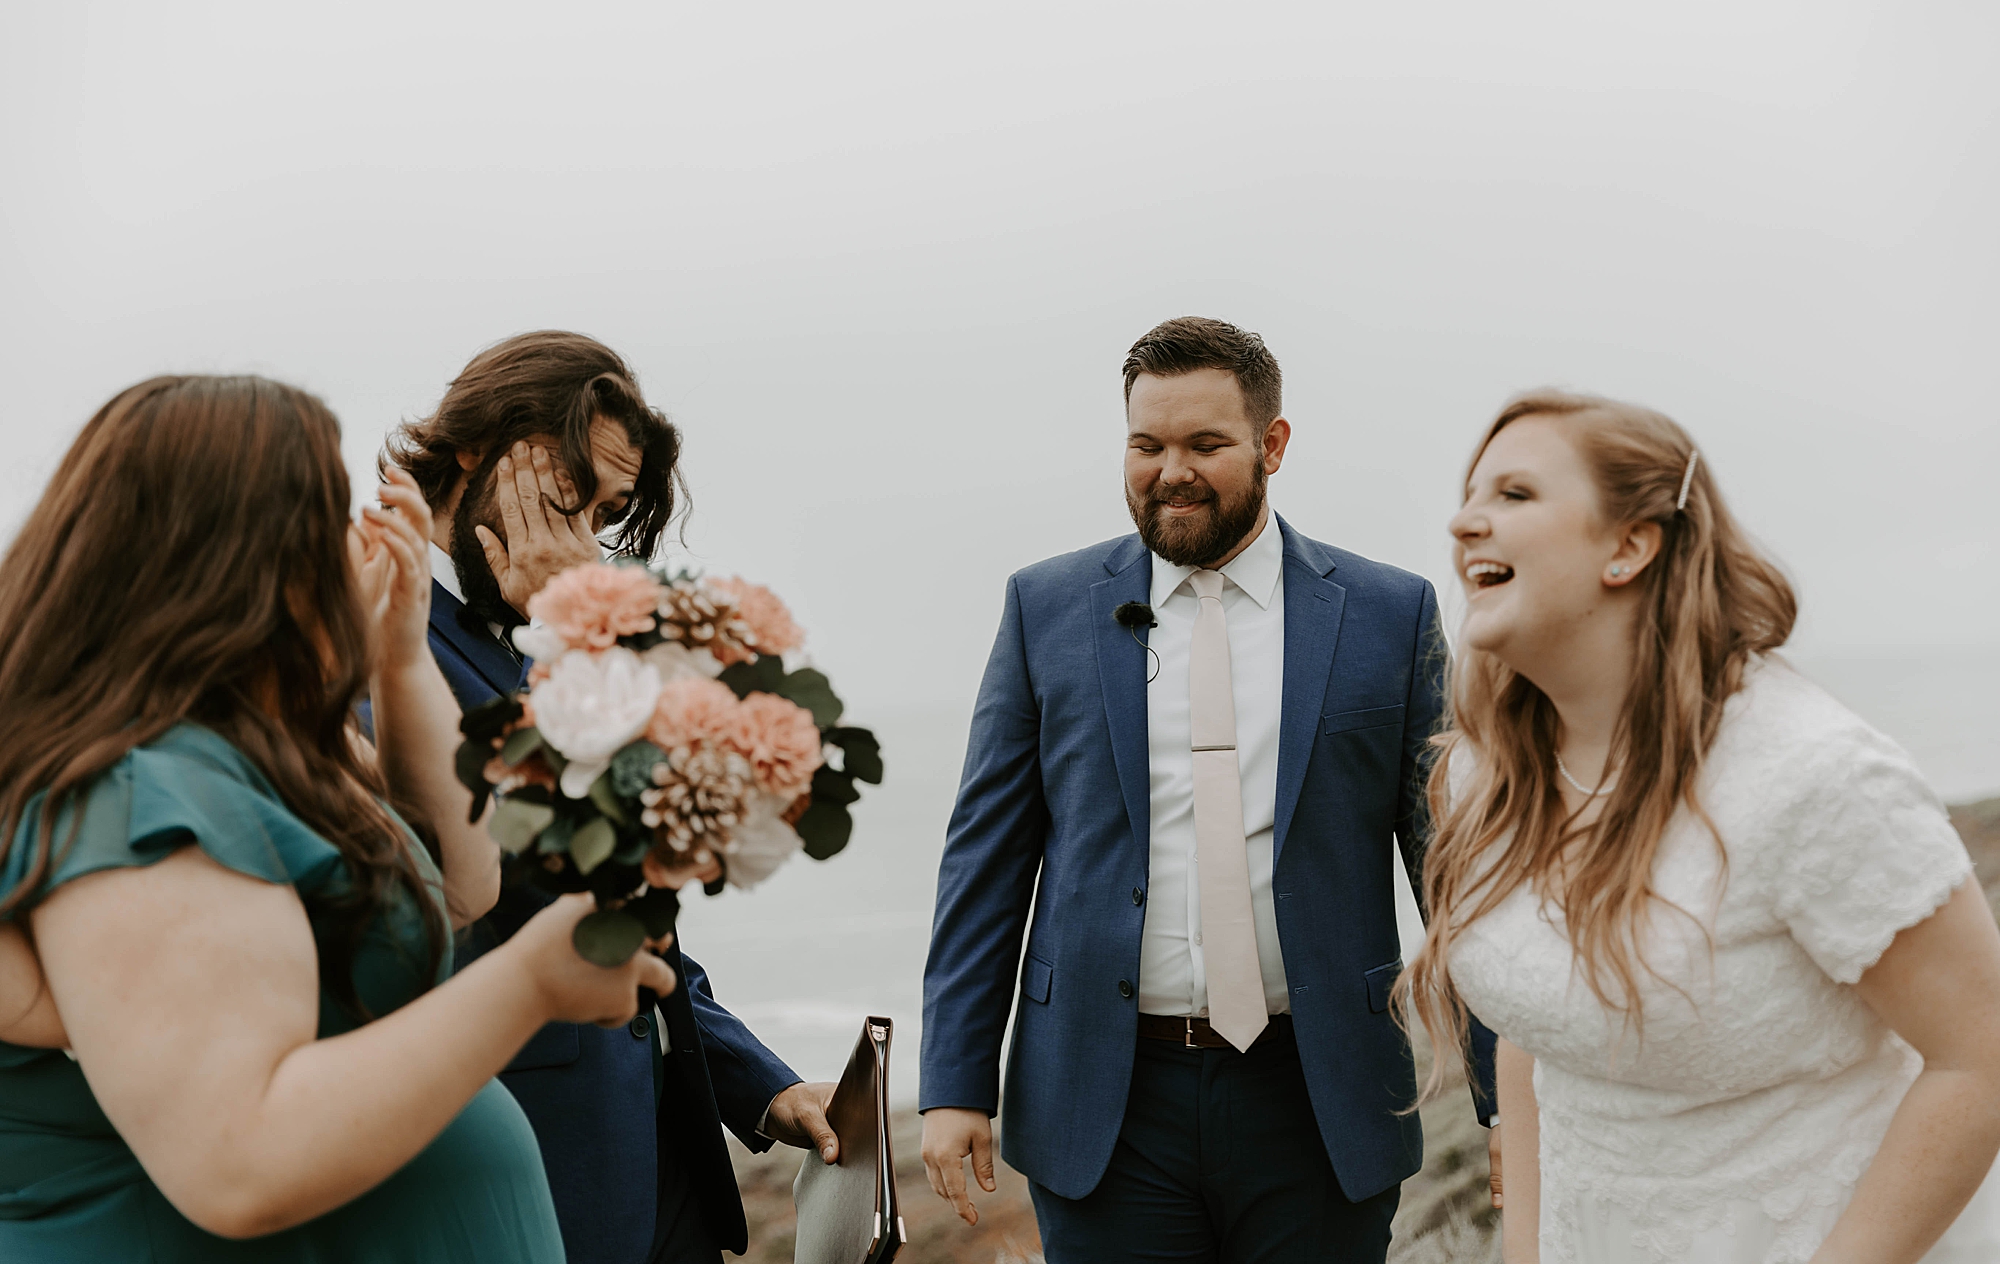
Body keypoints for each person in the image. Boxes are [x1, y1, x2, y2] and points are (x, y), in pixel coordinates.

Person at [0, 374, 683, 1260]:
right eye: (320, 514)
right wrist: (528, 984)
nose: (345, 539)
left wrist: (396, 661)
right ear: (227, 552)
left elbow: (463, 881)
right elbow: (237, 1160)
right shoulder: (134, 796)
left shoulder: (255, 738)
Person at [919, 317, 1497, 1263]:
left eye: (1204, 444)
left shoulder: (1389, 615)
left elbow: (1453, 871)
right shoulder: (1045, 607)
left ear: (1272, 445)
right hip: (1108, 1099)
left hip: (1320, 1097)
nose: (1170, 470)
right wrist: (953, 1081)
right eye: (1146, 445)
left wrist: (1503, 1094)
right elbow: (985, 860)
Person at [1408, 390, 2000, 1263]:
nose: (1464, 522)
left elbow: (1977, 1059)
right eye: (1468, 496)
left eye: (1514, 495)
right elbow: (1537, 1039)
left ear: (1632, 543)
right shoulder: (1479, 776)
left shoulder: (1812, 774)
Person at [381, 330, 838, 1264]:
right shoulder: (384, 633)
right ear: (474, 451)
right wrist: (581, 634)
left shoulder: (532, 628)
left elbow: (644, 926)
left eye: (607, 512)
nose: (584, 543)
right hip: (526, 1163)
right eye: (565, 498)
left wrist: (760, 1084)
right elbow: (541, 884)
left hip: (662, 1158)